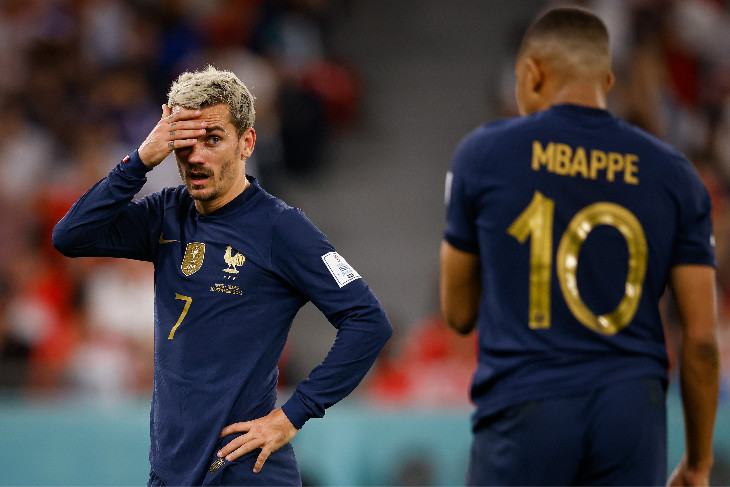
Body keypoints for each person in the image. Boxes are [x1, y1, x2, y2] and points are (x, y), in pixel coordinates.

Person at [53, 65, 392, 486]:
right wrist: (138, 161)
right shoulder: (166, 213)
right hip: (171, 471)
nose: (196, 156)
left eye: (212, 139)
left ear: (246, 142)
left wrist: (292, 414)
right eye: (185, 141)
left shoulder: (280, 227)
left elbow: (368, 321)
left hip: (242, 470)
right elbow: (71, 236)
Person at [440, 7, 719, 487]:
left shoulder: (483, 154)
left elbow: (459, 313)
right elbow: (701, 340)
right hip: (631, 415)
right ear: (607, 81)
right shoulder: (675, 174)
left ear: (532, 73)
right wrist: (697, 461)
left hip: (526, 403)